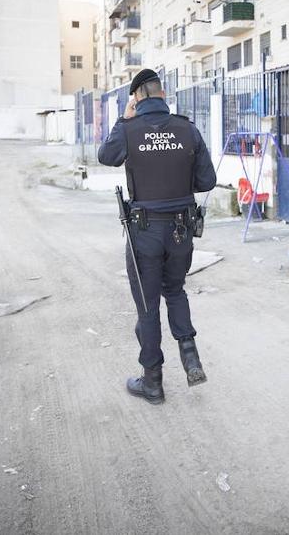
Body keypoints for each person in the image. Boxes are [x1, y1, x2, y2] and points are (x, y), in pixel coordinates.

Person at [98, 68, 217, 404]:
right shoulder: (187, 128)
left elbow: (106, 157)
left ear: (136, 97)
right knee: (175, 291)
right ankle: (190, 355)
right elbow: (207, 182)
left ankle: (153, 383)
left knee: (148, 308)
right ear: (163, 94)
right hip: (181, 230)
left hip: (144, 231)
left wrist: (123, 121)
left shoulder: (129, 129)